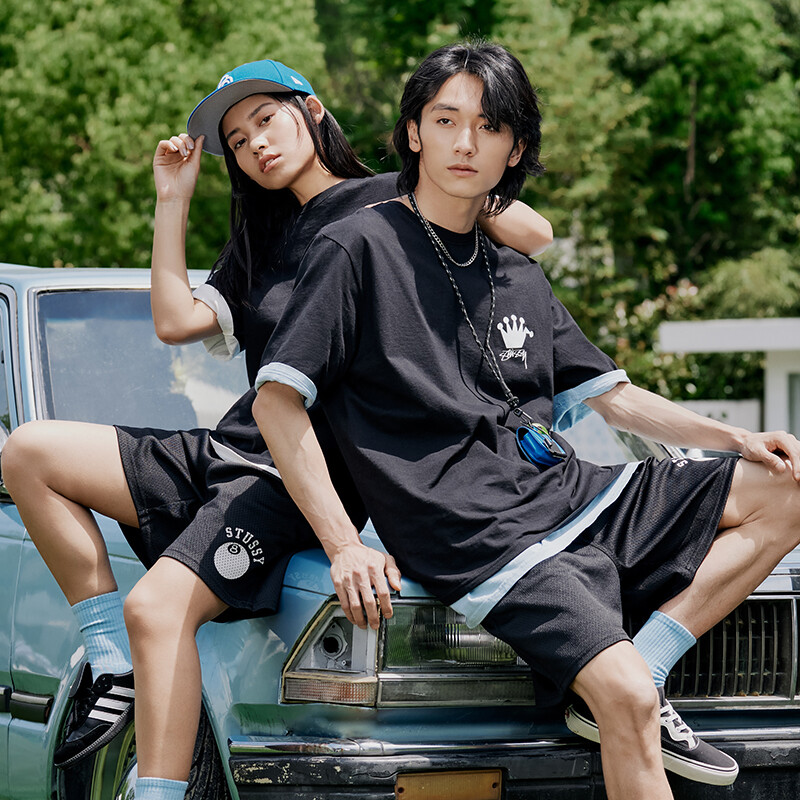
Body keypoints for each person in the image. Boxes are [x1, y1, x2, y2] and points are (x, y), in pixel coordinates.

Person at [252, 41, 800, 800]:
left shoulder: (517, 273)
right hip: (473, 533)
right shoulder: (358, 245)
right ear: (414, 133)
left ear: (515, 149)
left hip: (569, 493)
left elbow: (614, 396)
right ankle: (630, 689)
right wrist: (343, 543)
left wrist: (739, 439)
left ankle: (648, 661)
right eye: (446, 120)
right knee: (628, 704)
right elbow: (277, 401)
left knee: (787, 486)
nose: (465, 142)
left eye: (490, 126)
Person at [0, 59, 553, 800]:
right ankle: (111, 662)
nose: (254, 143)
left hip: (288, 473)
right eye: (237, 139)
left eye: (266, 119)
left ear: (313, 111)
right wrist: (172, 197)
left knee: (156, 606)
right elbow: (173, 321)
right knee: (29, 451)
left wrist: (453, 186)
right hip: (228, 449)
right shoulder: (262, 242)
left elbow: (536, 232)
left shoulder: (390, 200)